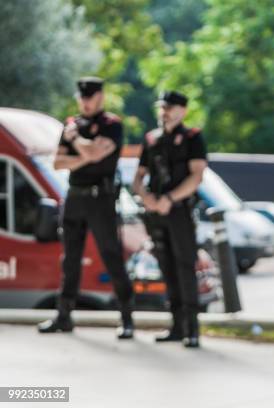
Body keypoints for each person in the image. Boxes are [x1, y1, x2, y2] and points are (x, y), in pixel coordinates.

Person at [38, 77, 135, 339]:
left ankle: (126, 318)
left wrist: (77, 143)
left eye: (89, 97)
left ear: (100, 97)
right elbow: (57, 163)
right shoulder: (72, 123)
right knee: (70, 258)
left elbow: (94, 155)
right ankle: (64, 315)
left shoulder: (111, 125)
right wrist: (86, 151)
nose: (85, 102)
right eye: (81, 97)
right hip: (75, 197)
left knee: (110, 255)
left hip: (100, 199)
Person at [132, 91, 207, 348]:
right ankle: (176, 326)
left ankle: (192, 329)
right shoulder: (152, 139)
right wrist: (148, 198)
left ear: (183, 110)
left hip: (180, 211)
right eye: (163, 107)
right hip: (156, 212)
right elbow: (138, 177)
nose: (166, 112)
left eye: (171, 107)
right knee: (167, 267)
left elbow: (196, 176)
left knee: (185, 267)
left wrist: (170, 199)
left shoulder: (192, 138)